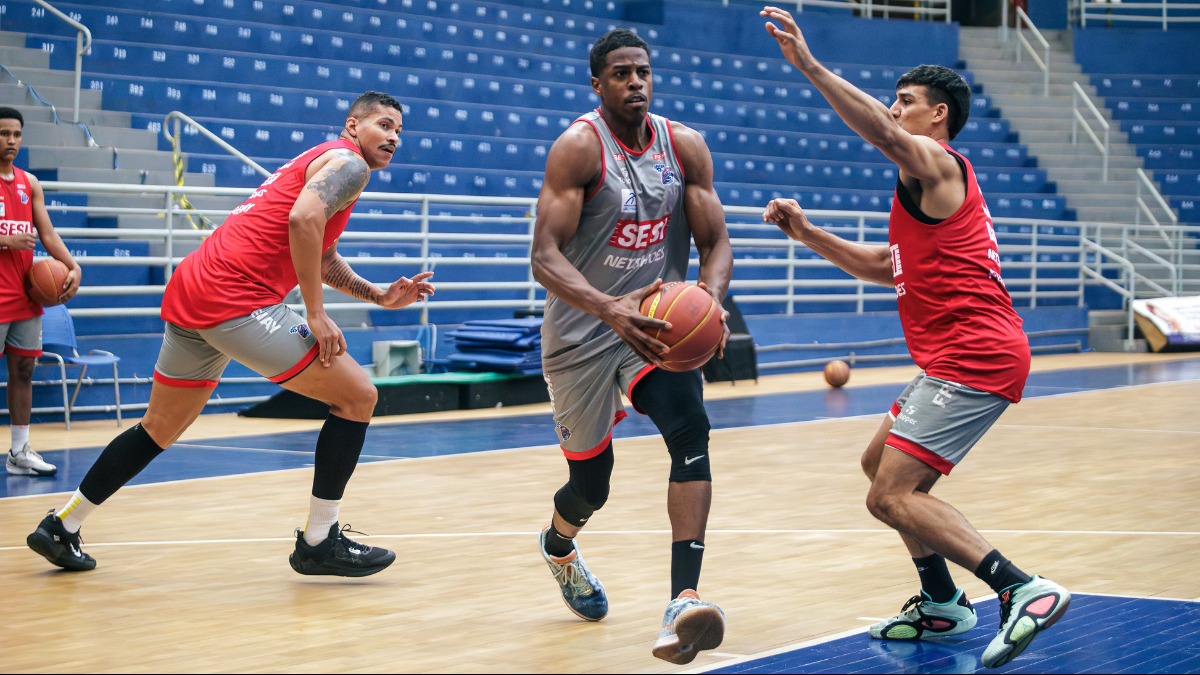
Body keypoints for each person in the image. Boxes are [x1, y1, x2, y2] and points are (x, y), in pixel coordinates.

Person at [760, 7, 1069, 670]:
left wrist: (810, 67)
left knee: (891, 495)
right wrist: (808, 233)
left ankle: (1021, 586)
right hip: (957, 354)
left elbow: (880, 133)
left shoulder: (936, 164)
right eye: (893, 100)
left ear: (938, 117)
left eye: (904, 101)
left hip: (974, 354)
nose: (893, 110)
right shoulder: (922, 192)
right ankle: (940, 599)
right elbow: (884, 266)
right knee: (878, 466)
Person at [26, 91, 435, 577]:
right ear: (352, 126)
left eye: (399, 132)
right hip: (234, 296)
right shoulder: (349, 165)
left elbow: (319, 250)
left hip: (195, 286)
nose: (392, 137)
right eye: (384, 125)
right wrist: (316, 313)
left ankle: (62, 525)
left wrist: (378, 294)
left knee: (158, 427)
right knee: (358, 396)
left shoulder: (323, 163)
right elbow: (302, 220)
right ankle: (320, 540)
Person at [530, 28, 734, 665]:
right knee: (592, 484)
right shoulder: (578, 149)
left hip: (652, 323)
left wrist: (711, 297)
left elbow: (716, 243)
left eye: (642, 71)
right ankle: (559, 545)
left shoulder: (685, 147)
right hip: (582, 332)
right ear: (598, 84)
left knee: (690, 429)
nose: (635, 82)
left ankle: (683, 600)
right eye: (620, 74)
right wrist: (604, 306)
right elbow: (543, 256)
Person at [0, 106, 82, 477]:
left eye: (16, 134)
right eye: (4, 134)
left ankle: (19, 452)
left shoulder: (29, 182)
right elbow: (16, 237)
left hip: (24, 294)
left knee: (24, 369)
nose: (11, 141)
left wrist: (73, 266)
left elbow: (47, 234)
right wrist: (7, 240)